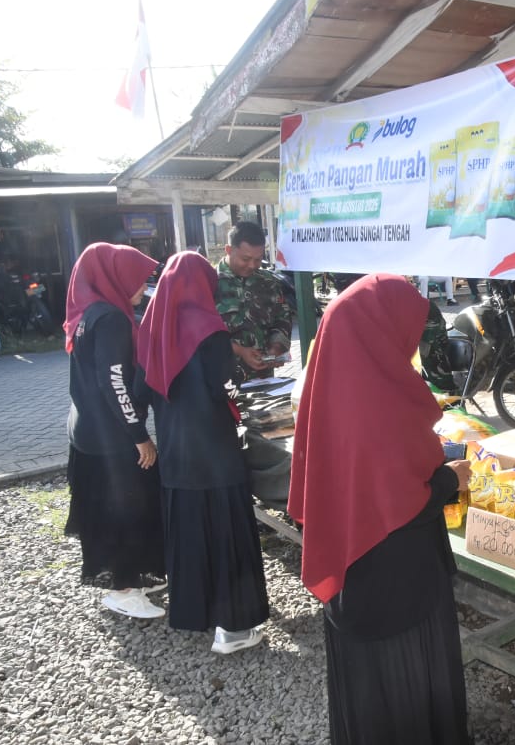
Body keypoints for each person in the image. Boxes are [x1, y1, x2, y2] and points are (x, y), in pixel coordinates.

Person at [289, 274, 472, 745]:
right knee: (409, 688)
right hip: (400, 585)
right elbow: (406, 500)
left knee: (370, 697)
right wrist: (451, 479)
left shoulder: (331, 388)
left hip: (353, 579)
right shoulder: (385, 397)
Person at [136, 251, 270, 654]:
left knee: (192, 534)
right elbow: (221, 386)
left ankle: (200, 614)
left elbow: (142, 391)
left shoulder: (151, 328)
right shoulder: (210, 329)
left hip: (176, 453)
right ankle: (234, 629)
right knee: (226, 534)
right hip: (215, 451)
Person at [62, 242, 165, 619]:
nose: (143, 287)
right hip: (111, 437)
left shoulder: (88, 312)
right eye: (137, 279)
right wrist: (139, 435)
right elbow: (114, 382)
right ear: (115, 277)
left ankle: (133, 576)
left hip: (87, 429)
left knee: (115, 506)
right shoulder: (112, 320)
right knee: (127, 508)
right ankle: (124, 588)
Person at [215, 220, 295, 381]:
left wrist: (276, 348)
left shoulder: (269, 283)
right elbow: (200, 335)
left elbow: (282, 319)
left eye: (258, 259)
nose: (252, 265)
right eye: (245, 259)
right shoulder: (209, 283)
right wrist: (239, 351)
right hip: (221, 380)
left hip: (262, 379)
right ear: (229, 250)